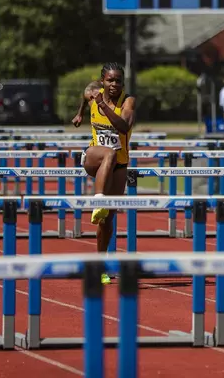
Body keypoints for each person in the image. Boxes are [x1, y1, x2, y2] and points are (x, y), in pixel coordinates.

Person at [73, 63, 136, 285]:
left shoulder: (128, 102)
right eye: (110, 80)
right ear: (102, 81)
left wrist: (103, 106)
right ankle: (98, 199)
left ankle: (100, 266)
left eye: (118, 80)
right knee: (108, 153)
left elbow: (123, 127)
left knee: (107, 220)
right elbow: (85, 94)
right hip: (93, 157)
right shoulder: (93, 94)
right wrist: (80, 112)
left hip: (119, 166)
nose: (114, 84)